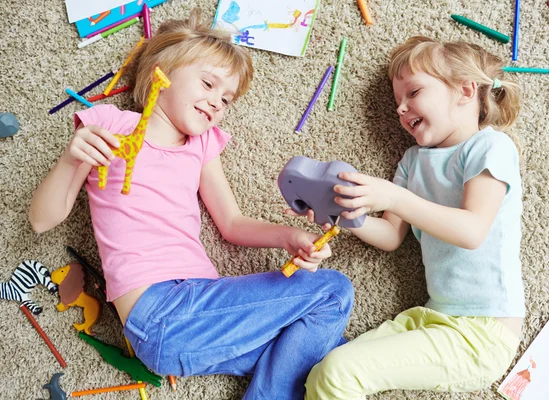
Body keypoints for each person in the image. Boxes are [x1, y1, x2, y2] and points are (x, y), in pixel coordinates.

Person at [29, 9, 353, 400]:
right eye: (208, 83)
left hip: (196, 315)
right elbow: (42, 221)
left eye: (226, 98)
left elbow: (231, 222)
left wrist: (288, 235)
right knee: (333, 292)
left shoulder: (202, 144)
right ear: (159, 74)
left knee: (324, 354)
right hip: (160, 309)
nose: (217, 102)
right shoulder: (110, 125)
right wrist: (70, 160)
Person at [302, 36, 525, 398]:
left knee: (337, 374)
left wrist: (395, 196)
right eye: (397, 102)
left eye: (414, 92)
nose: (401, 109)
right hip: (432, 317)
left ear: (466, 91)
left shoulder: (490, 145)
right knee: (323, 371)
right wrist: (343, 215)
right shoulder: (412, 162)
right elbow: (391, 236)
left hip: (483, 332)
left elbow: (472, 231)